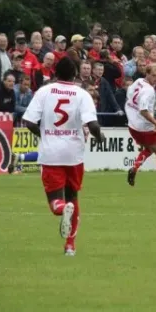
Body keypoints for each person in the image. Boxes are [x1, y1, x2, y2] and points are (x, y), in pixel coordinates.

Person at [21, 57, 104, 256]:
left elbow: (29, 122)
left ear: (55, 73)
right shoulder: (82, 94)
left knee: (55, 201)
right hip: (74, 154)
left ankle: (61, 207)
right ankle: (70, 245)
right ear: (75, 74)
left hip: (51, 154)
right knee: (73, 197)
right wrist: (99, 136)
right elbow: (92, 125)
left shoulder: (44, 91)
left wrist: (45, 135)